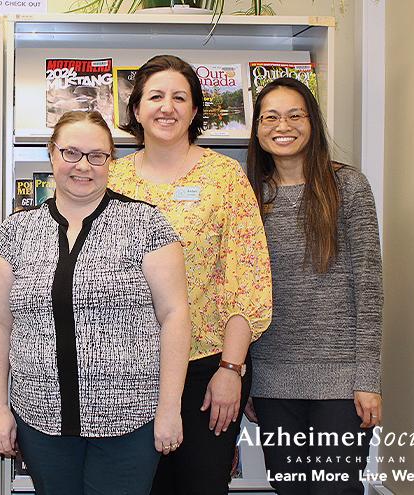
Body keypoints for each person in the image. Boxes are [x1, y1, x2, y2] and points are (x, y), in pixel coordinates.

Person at [0, 110, 192, 495]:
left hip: (131, 419)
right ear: (52, 154)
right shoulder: (15, 231)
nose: (83, 166)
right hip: (40, 419)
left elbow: (175, 315)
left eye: (97, 156)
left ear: (111, 161)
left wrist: (169, 407)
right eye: (71, 153)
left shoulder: (146, 224)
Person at [108, 54, 273, 495]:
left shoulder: (224, 177)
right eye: (155, 96)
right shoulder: (111, 179)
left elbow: (248, 277)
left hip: (208, 368)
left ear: (196, 111)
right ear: (136, 108)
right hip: (128, 370)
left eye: (180, 97)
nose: (168, 107)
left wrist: (231, 369)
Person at [244, 77, 383, 495]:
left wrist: (368, 378)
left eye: (294, 115)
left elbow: (370, 286)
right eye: (270, 116)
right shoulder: (250, 195)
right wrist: (248, 376)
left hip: (341, 381)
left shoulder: (347, 187)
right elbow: (241, 293)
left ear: (312, 123)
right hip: (272, 379)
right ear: (257, 128)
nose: (282, 125)